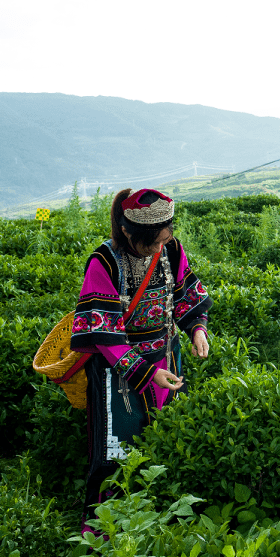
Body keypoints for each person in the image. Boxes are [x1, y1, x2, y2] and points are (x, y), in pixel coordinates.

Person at [71, 188, 211, 534]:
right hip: (118, 371)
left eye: (166, 237)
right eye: (153, 242)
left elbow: (185, 294)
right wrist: (146, 372)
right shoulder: (104, 262)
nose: (161, 246)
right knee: (117, 448)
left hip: (166, 358)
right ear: (128, 232)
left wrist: (197, 329)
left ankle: (163, 517)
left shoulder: (171, 248)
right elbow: (104, 332)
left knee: (167, 435)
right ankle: (106, 530)